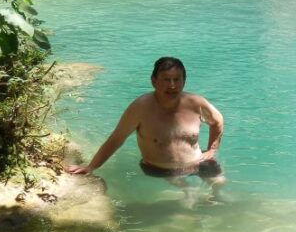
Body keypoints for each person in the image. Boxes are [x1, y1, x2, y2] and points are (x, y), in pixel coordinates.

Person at [66, 57, 224, 181]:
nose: (172, 85)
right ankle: (185, 191)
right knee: (184, 195)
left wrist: (212, 149)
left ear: (184, 81)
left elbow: (218, 121)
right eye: (166, 79)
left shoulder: (196, 103)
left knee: (219, 184)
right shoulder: (140, 107)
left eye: (177, 79)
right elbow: (116, 139)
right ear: (154, 81)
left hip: (196, 163)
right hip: (157, 170)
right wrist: (91, 167)